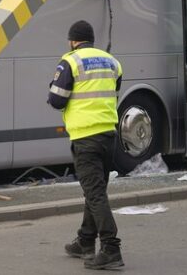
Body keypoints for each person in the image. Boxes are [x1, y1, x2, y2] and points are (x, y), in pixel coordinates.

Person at [47, 20, 124, 270]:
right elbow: (114, 91)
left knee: (95, 193)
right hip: (108, 136)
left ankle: (111, 248)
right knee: (95, 190)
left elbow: (57, 100)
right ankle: (85, 241)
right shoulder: (112, 61)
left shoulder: (70, 61)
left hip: (85, 138)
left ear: (73, 40)